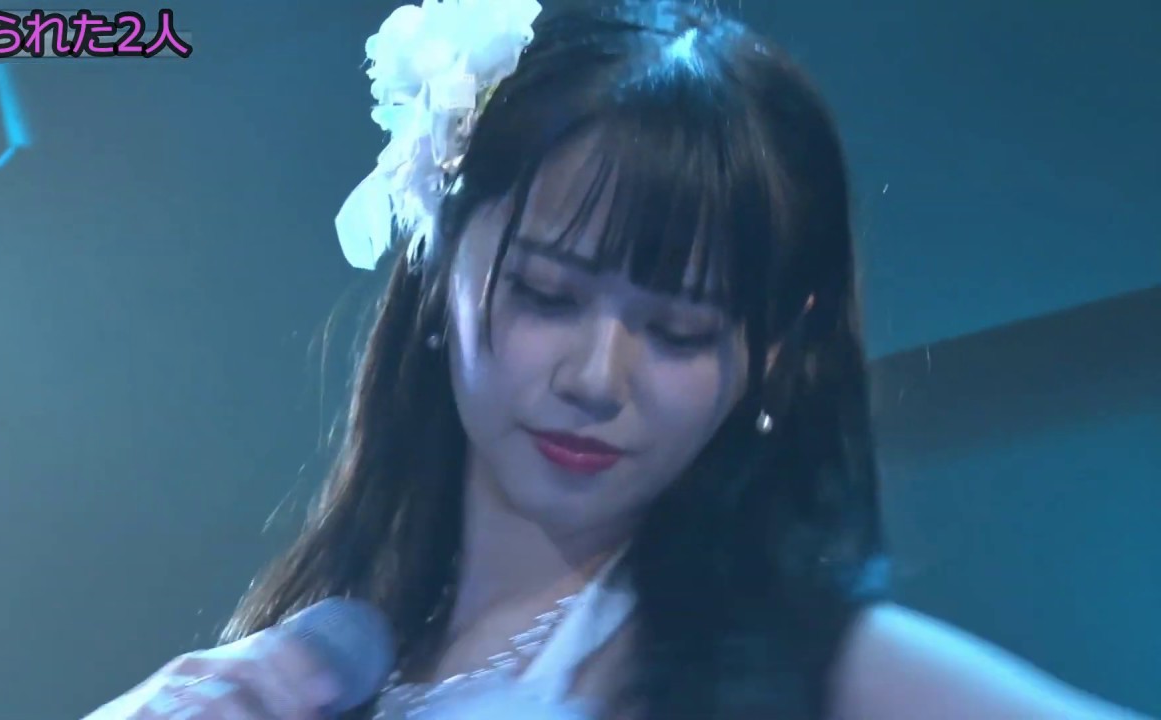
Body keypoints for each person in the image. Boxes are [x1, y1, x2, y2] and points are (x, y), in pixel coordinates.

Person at [86, 1, 1152, 718]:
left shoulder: (812, 667)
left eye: (680, 332)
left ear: (767, 353)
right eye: (548, 296)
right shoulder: (314, 658)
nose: (597, 379)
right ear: (439, 266)